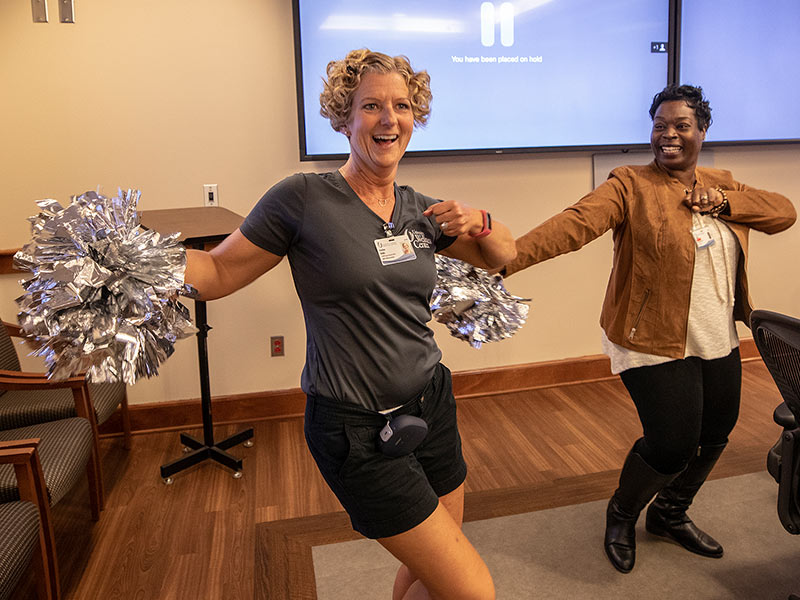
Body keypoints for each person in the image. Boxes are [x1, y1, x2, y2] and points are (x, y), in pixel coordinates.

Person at [184, 49, 515, 599]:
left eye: (402, 106)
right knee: (471, 589)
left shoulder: (419, 211)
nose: (389, 119)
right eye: (371, 107)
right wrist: (137, 262)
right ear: (343, 117)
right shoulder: (303, 199)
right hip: (355, 428)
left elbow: (502, 252)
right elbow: (217, 270)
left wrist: (478, 219)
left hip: (431, 404)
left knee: (432, 568)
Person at [499, 84, 796, 573]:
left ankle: (670, 513)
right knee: (672, 442)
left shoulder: (724, 183)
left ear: (703, 130)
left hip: (716, 335)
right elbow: (572, 225)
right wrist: (503, 260)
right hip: (648, 338)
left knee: (716, 433)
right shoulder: (628, 183)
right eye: (660, 126)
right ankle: (622, 513)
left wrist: (722, 200)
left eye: (682, 125)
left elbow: (783, 212)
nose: (669, 135)